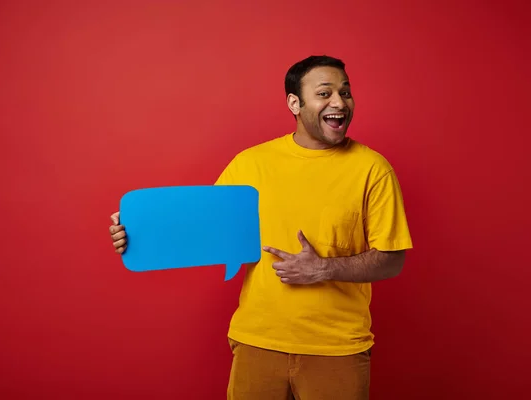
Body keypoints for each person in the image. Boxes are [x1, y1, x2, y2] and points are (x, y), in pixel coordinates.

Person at [108, 55, 412, 400]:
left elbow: (392, 259)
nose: (339, 103)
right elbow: (204, 231)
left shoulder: (373, 169)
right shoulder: (250, 164)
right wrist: (138, 233)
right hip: (257, 343)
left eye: (345, 92)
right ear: (294, 103)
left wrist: (322, 269)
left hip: (337, 349)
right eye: (325, 93)